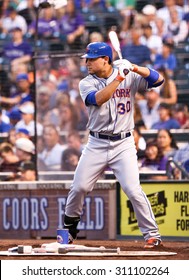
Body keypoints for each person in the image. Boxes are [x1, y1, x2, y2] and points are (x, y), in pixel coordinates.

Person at [63, 41, 164, 249]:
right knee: (79, 187)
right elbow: (98, 99)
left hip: (124, 143)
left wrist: (135, 68)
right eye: (87, 59)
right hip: (96, 143)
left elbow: (158, 80)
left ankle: (152, 235)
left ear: (105, 60)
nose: (87, 63)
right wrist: (119, 77)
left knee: (133, 190)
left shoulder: (128, 73)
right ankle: (69, 229)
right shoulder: (86, 82)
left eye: (92, 59)